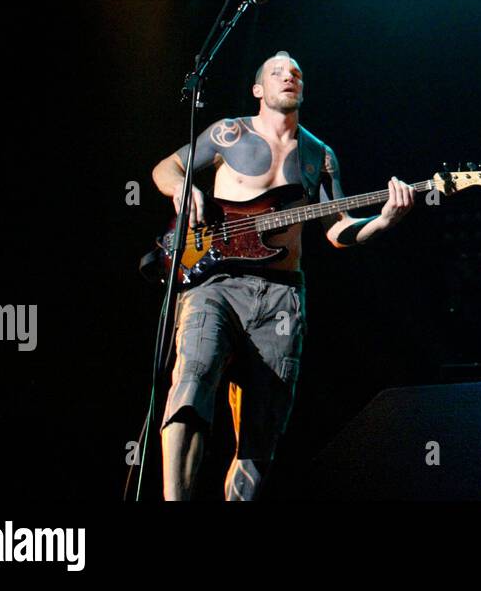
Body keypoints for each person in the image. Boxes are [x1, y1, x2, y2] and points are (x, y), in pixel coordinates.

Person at [150, 50, 415, 499]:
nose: (287, 76)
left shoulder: (319, 154)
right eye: (276, 72)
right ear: (258, 89)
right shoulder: (227, 133)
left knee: (262, 431)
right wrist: (182, 186)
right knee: (192, 384)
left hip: (281, 297)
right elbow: (165, 167)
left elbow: (338, 229)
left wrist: (383, 221)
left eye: (295, 72)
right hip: (215, 284)